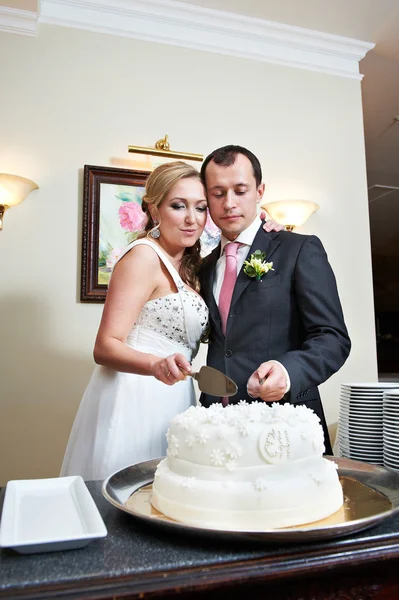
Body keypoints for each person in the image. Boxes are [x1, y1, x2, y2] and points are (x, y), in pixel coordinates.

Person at [60, 161, 209, 480]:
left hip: (174, 394)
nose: (191, 219)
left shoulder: (188, 267)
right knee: (128, 497)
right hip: (136, 395)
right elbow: (104, 347)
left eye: (201, 208)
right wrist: (156, 365)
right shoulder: (142, 256)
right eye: (178, 206)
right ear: (155, 210)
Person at [199, 145, 351, 454]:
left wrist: (289, 371)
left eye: (240, 190)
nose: (229, 203)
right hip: (216, 426)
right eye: (218, 193)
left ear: (260, 191)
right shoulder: (203, 267)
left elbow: (333, 337)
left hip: (285, 421)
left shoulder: (299, 249)